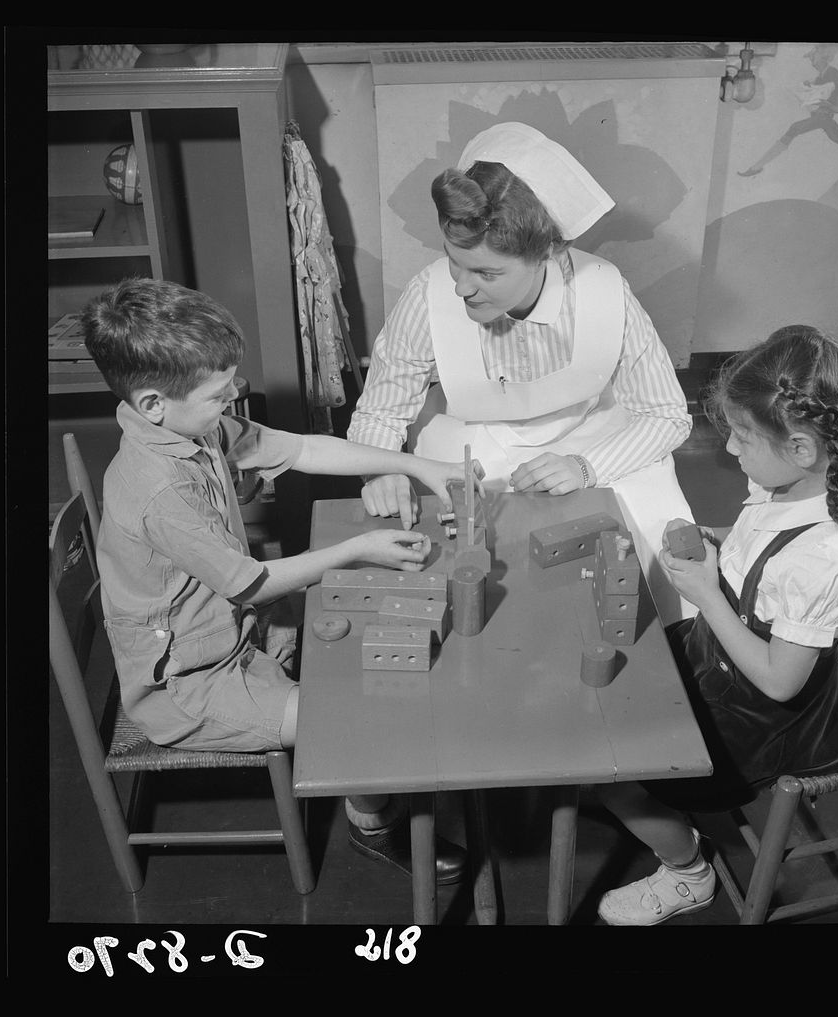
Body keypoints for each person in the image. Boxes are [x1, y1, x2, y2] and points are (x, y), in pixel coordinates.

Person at [81, 277, 477, 884]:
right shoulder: (159, 489)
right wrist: (359, 548)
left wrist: (415, 463)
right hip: (190, 682)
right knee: (358, 718)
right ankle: (372, 824)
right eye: (218, 396)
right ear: (155, 402)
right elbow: (251, 584)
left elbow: (303, 450)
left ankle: (371, 777)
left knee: (365, 650)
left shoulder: (190, 427)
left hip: (234, 628)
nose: (231, 403)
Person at [595, 325, 838, 925]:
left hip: (768, 715)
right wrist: (724, 543)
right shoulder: (781, 484)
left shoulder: (822, 562)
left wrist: (709, 598)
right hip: (722, 659)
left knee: (612, 771)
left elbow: (781, 684)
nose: (729, 449)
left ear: (802, 447)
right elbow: (761, 548)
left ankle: (688, 875)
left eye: (743, 436)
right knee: (622, 689)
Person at [348, 122, 697, 624]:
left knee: (645, 544)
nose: (462, 288)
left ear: (548, 255)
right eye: (454, 262)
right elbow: (382, 408)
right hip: (474, 441)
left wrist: (586, 466)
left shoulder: (606, 291)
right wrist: (383, 467)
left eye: (488, 274)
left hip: (588, 436)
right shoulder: (427, 298)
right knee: (459, 558)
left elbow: (667, 414)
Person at [739, 44, 838, 178]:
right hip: (820, 118)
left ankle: (757, 167)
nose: (811, 60)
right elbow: (832, 88)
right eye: (810, 57)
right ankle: (757, 166)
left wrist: (826, 103)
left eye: (813, 56)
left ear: (825, 56)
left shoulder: (832, 72)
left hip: (824, 117)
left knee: (797, 129)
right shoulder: (820, 77)